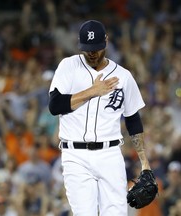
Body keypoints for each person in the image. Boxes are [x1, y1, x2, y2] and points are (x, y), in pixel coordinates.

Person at [48, 20, 155, 216]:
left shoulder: (123, 76)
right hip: (75, 155)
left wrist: (144, 162)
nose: (92, 53)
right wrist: (92, 91)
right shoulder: (68, 66)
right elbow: (55, 106)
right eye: (87, 48)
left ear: (106, 41)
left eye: (96, 47)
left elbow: (133, 120)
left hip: (110, 154)